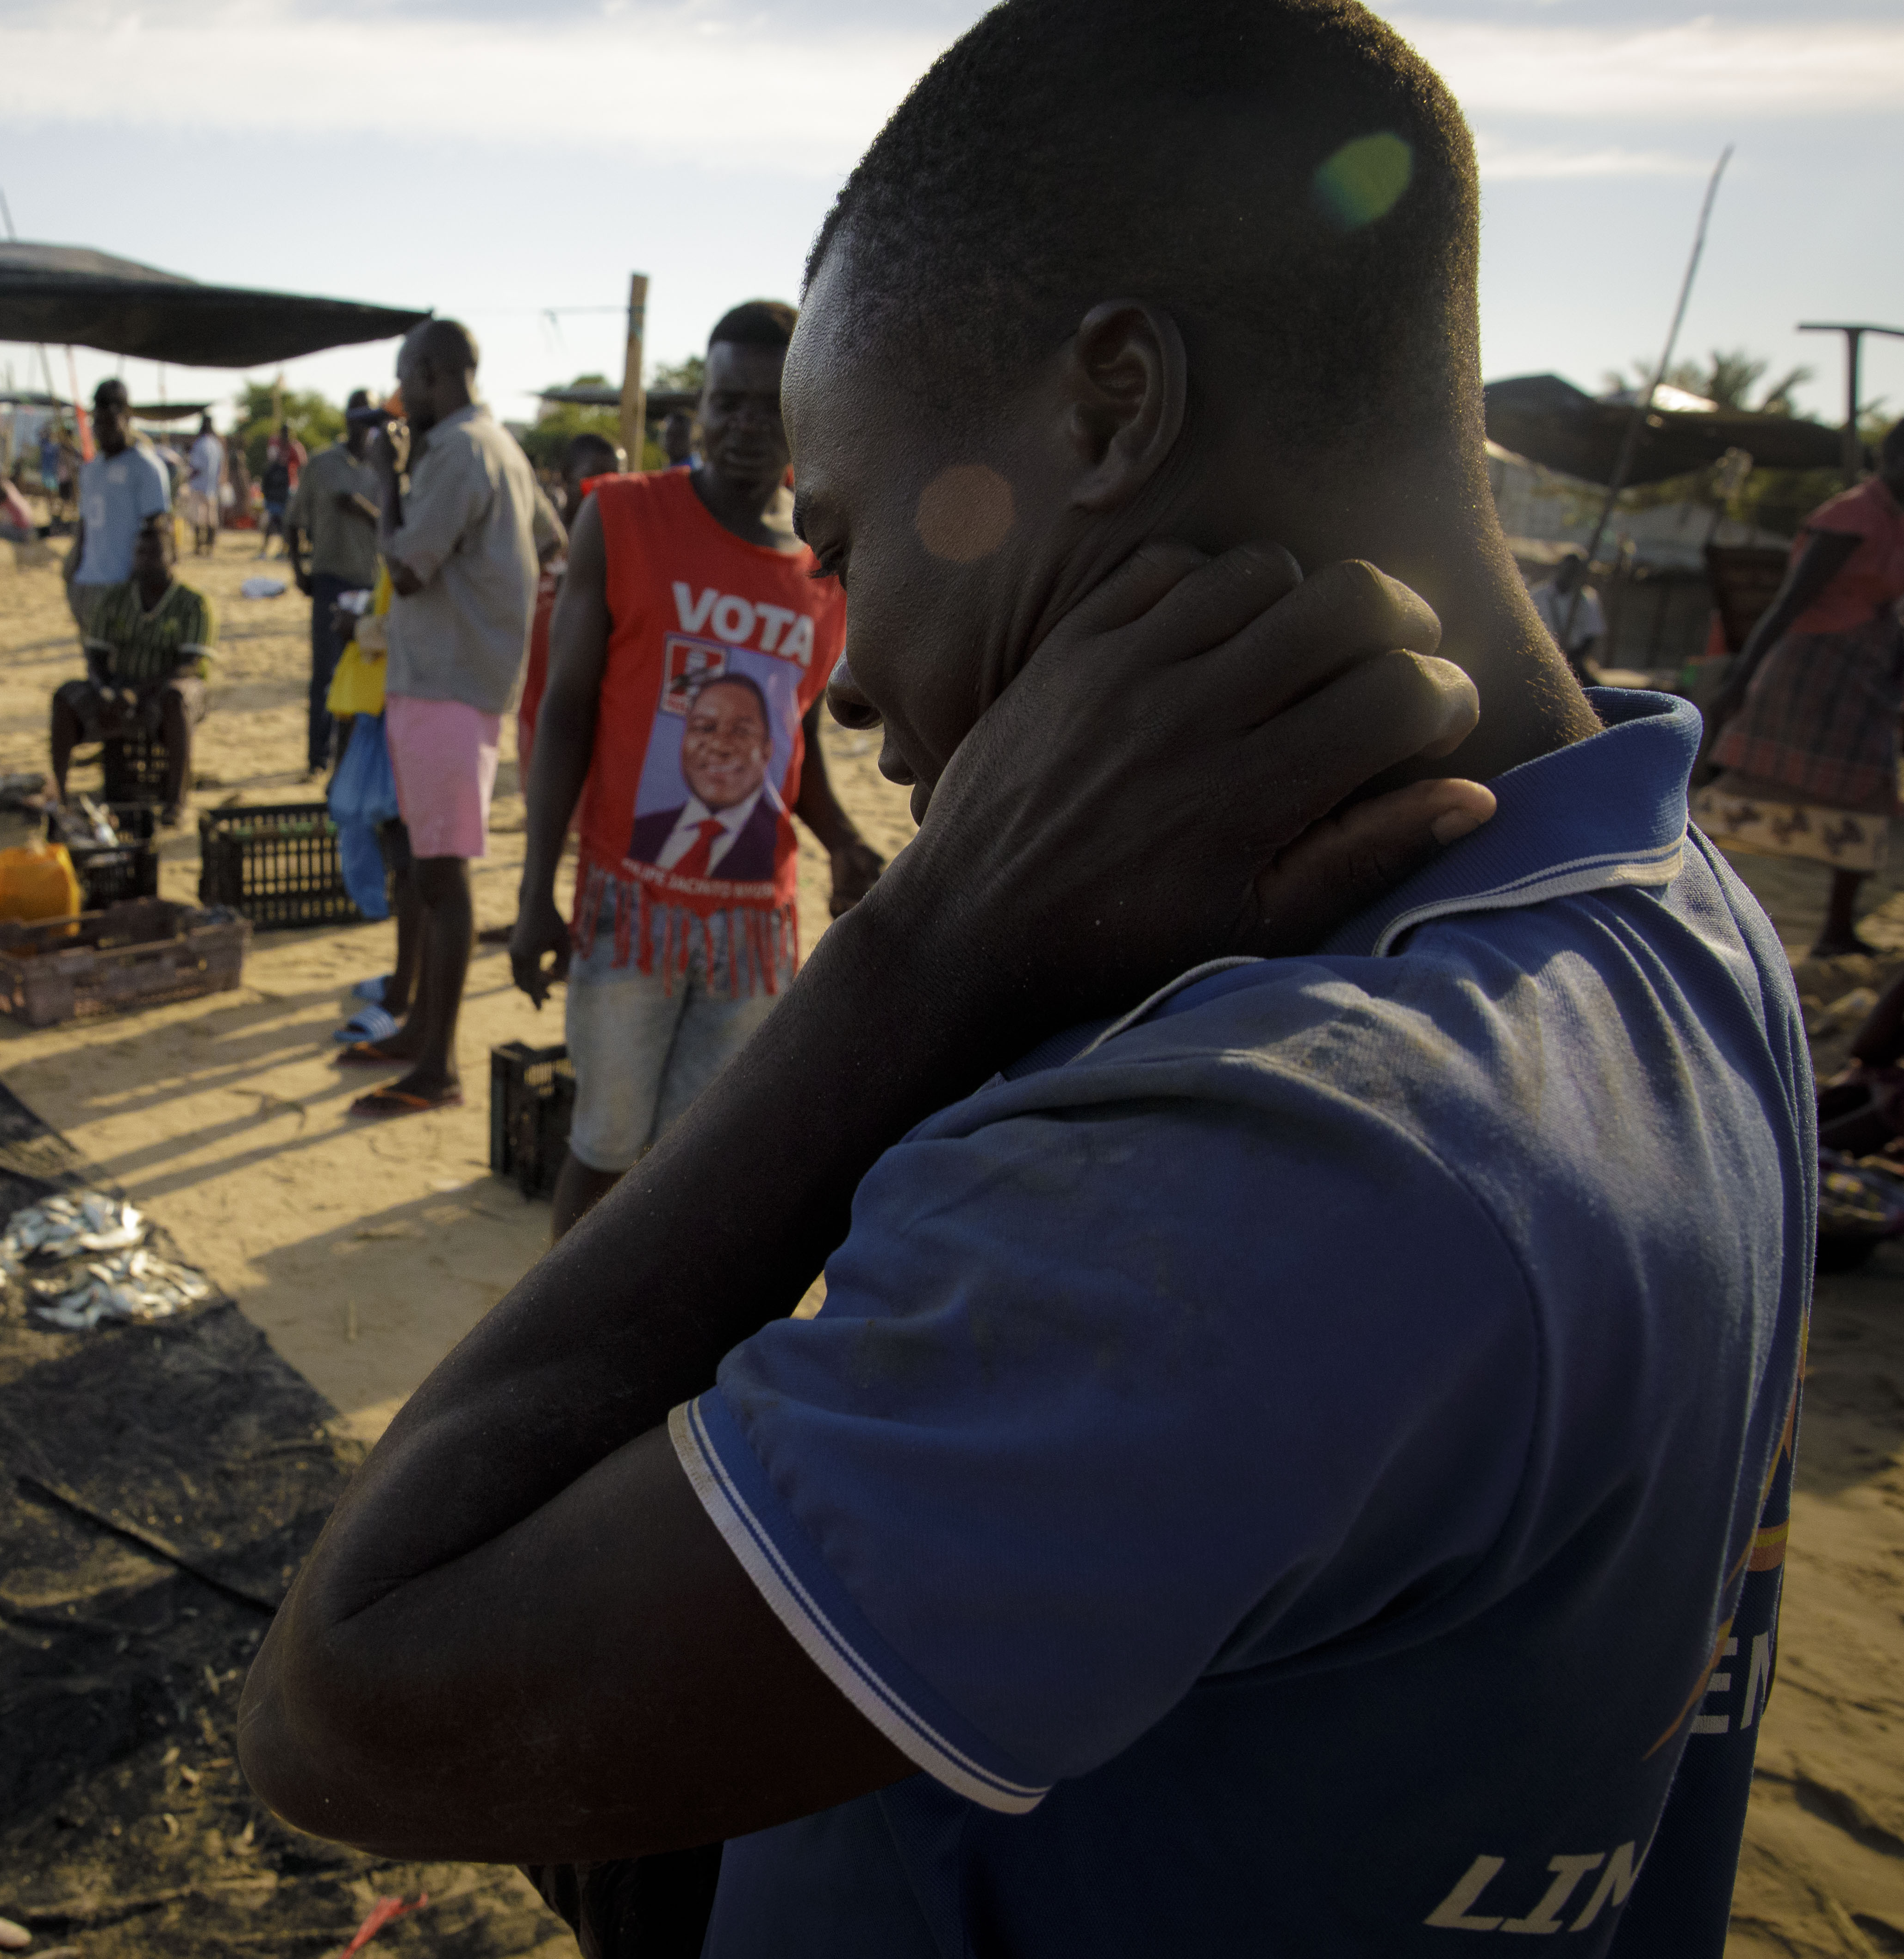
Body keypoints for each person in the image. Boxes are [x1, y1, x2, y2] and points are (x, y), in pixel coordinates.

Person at [240, 4, 1808, 1953]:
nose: (852, 671)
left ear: (1107, 405)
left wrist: (920, 942)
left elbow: (350, 1703)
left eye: (841, 536)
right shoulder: (1669, 901)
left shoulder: (1286, 1152)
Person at [513, 305, 883, 1236]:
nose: (745, 424)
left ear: (804, 414)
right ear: (701, 405)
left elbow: (787, 744)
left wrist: (840, 840)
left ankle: (654, 1368)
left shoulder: (823, 569)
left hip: (751, 923)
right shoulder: (622, 517)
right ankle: (560, 1365)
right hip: (628, 908)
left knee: (693, 1173)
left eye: (770, 405)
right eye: (727, 401)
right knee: (603, 1150)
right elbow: (563, 712)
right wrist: (532, 889)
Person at [334, 319, 563, 1118]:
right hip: (458, 677)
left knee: (441, 873)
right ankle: (420, 1034)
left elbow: (408, 564)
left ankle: (437, 1064)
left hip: (448, 683)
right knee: (430, 867)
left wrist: (387, 480)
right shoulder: (496, 444)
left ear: (434, 374)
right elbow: (552, 541)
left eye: (407, 379)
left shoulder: (461, 450)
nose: (401, 397)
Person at [1695, 424, 1904, 958]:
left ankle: (1836, 928)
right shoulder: (1850, 518)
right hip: (1808, 668)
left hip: (1866, 674)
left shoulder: (1896, 521)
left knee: (1871, 790)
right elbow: (1789, 602)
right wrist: (1739, 680)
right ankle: (1695, 899)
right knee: (1745, 786)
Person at [48, 511, 215, 825]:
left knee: (175, 700)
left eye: (155, 553)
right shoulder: (115, 599)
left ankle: (175, 802)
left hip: (169, 688)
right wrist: (106, 690)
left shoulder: (193, 604)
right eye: (140, 553)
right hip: (120, 684)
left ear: (173, 556)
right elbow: (95, 655)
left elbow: (191, 664)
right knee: (65, 697)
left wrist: (137, 693)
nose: (146, 561)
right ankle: (59, 796)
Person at [514, 430, 626, 777]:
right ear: (565, 479)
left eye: (616, 479)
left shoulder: (621, 551)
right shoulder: (541, 544)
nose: (606, 488)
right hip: (534, 696)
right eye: (594, 478)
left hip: (593, 708)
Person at [289, 390, 385, 776]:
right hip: (330, 580)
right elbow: (294, 521)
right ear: (346, 418)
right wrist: (299, 571)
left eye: (369, 415)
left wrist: (365, 511)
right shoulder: (322, 465)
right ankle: (317, 757)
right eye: (356, 414)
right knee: (325, 672)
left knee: (369, 669)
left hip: (374, 584)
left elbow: (400, 530)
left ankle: (357, 758)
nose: (362, 423)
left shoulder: (387, 469)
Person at [64, 377, 171, 638]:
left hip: (124, 588)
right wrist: (72, 573)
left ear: (127, 417)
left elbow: (157, 532)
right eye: (97, 421)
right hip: (87, 585)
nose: (102, 429)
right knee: (94, 665)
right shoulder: (90, 471)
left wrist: (144, 591)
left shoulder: (146, 468)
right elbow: (86, 525)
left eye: (109, 420)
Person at [1534, 549, 1605, 677]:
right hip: (1541, 657)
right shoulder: (1538, 596)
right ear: (1559, 569)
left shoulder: (1587, 598)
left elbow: (1592, 635)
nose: (1569, 575)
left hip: (1574, 660)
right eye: (1568, 570)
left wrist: (1573, 658)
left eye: (1574, 572)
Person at [259, 421, 308, 558]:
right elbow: (270, 463)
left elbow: (303, 467)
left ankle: (285, 551)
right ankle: (265, 551)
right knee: (271, 522)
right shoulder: (277, 446)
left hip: (290, 489)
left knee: (288, 523)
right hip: (275, 491)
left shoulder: (296, 447)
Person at [184, 414, 227, 556]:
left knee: (198, 516)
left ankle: (198, 547)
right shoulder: (217, 445)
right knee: (211, 517)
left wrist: (187, 476)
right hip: (213, 487)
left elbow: (197, 467)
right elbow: (222, 467)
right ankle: (210, 547)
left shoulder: (200, 444)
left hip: (198, 486)